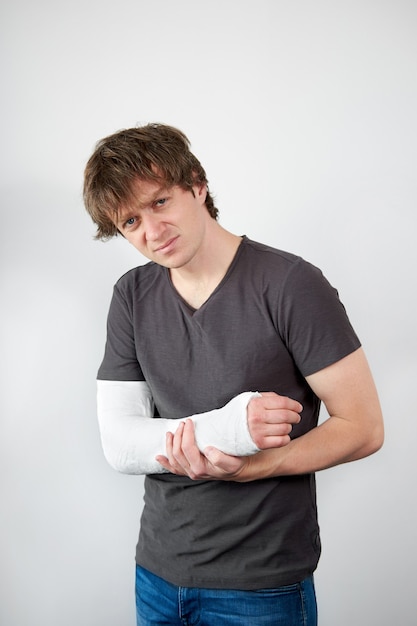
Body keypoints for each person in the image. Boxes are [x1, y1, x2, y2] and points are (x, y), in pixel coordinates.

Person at [83, 123, 384, 626]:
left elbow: (364, 427)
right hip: (157, 573)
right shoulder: (131, 296)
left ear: (197, 184)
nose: (152, 233)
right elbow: (118, 440)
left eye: (160, 202)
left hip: (261, 583)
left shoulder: (290, 284)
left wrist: (255, 464)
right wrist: (229, 428)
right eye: (131, 221)